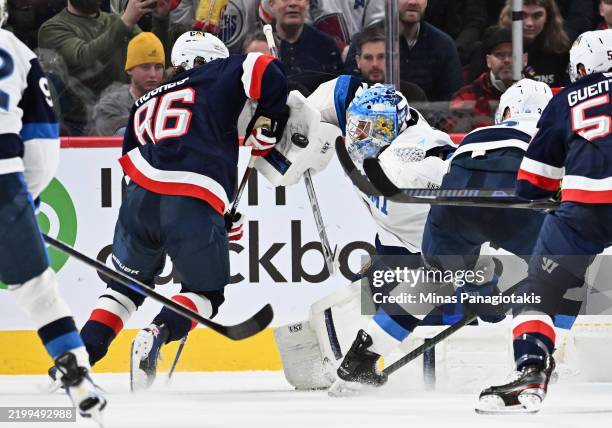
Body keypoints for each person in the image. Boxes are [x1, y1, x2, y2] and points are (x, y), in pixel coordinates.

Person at [78, 30, 288, 391]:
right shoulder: (217, 75)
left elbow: (134, 163)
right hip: (190, 198)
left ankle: (77, 361)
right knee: (206, 293)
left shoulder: (142, 104)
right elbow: (266, 67)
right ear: (208, 61)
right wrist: (268, 122)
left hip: (138, 203)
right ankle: (156, 332)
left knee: (125, 287)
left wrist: (215, 214)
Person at [477, 29, 612, 414]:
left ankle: (532, 370)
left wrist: (548, 193)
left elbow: (535, 183)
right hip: (586, 204)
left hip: (585, 209)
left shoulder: (566, 98)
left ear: (583, 66)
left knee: (538, 291)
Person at [0, 1, 106, 422]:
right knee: (39, 292)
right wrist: (24, 202)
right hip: (4, 180)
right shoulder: (18, 53)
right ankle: (75, 371)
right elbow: (42, 148)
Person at [38, 0, 170, 135]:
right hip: (79, 123)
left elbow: (153, 55)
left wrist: (160, 19)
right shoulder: (52, 28)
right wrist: (125, 22)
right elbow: (84, 58)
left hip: (125, 111)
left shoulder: (115, 21)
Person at [345, 0, 463, 102]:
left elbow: (450, 105)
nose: (412, 2)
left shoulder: (444, 46)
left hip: (427, 124)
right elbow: (348, 95)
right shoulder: (363, 42)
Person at [449, 26, 524, 132]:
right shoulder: (466, 97)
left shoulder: (538, 94)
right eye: (500, 54)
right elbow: (457, 140)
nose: (507, 60)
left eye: (513, 55)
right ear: (488, 60)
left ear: (524, 59)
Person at [91, 32, 165, 136]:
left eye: (158, 67)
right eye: (145, 67)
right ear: (129, 69)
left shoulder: (172, 101)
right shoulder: (110, 105)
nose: (153, 74)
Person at [270, 0, 343, 95]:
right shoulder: (259, 46)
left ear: (308, 4)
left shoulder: (327, 46)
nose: (293, 3)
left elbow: (336, 96)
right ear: (271, 4)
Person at [498, 0, 570, 87]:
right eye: (522, 15)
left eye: (537, 16)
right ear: (510, 16)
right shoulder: (492, 49)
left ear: (548, 16)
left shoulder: (561, 52)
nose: (529, 23)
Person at [354, 25, 427, 102]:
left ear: (394, 59)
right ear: (358, 61)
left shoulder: (414, 95)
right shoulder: (347, 97)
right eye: (368, 57)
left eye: (381, 57)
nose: (375, 64)